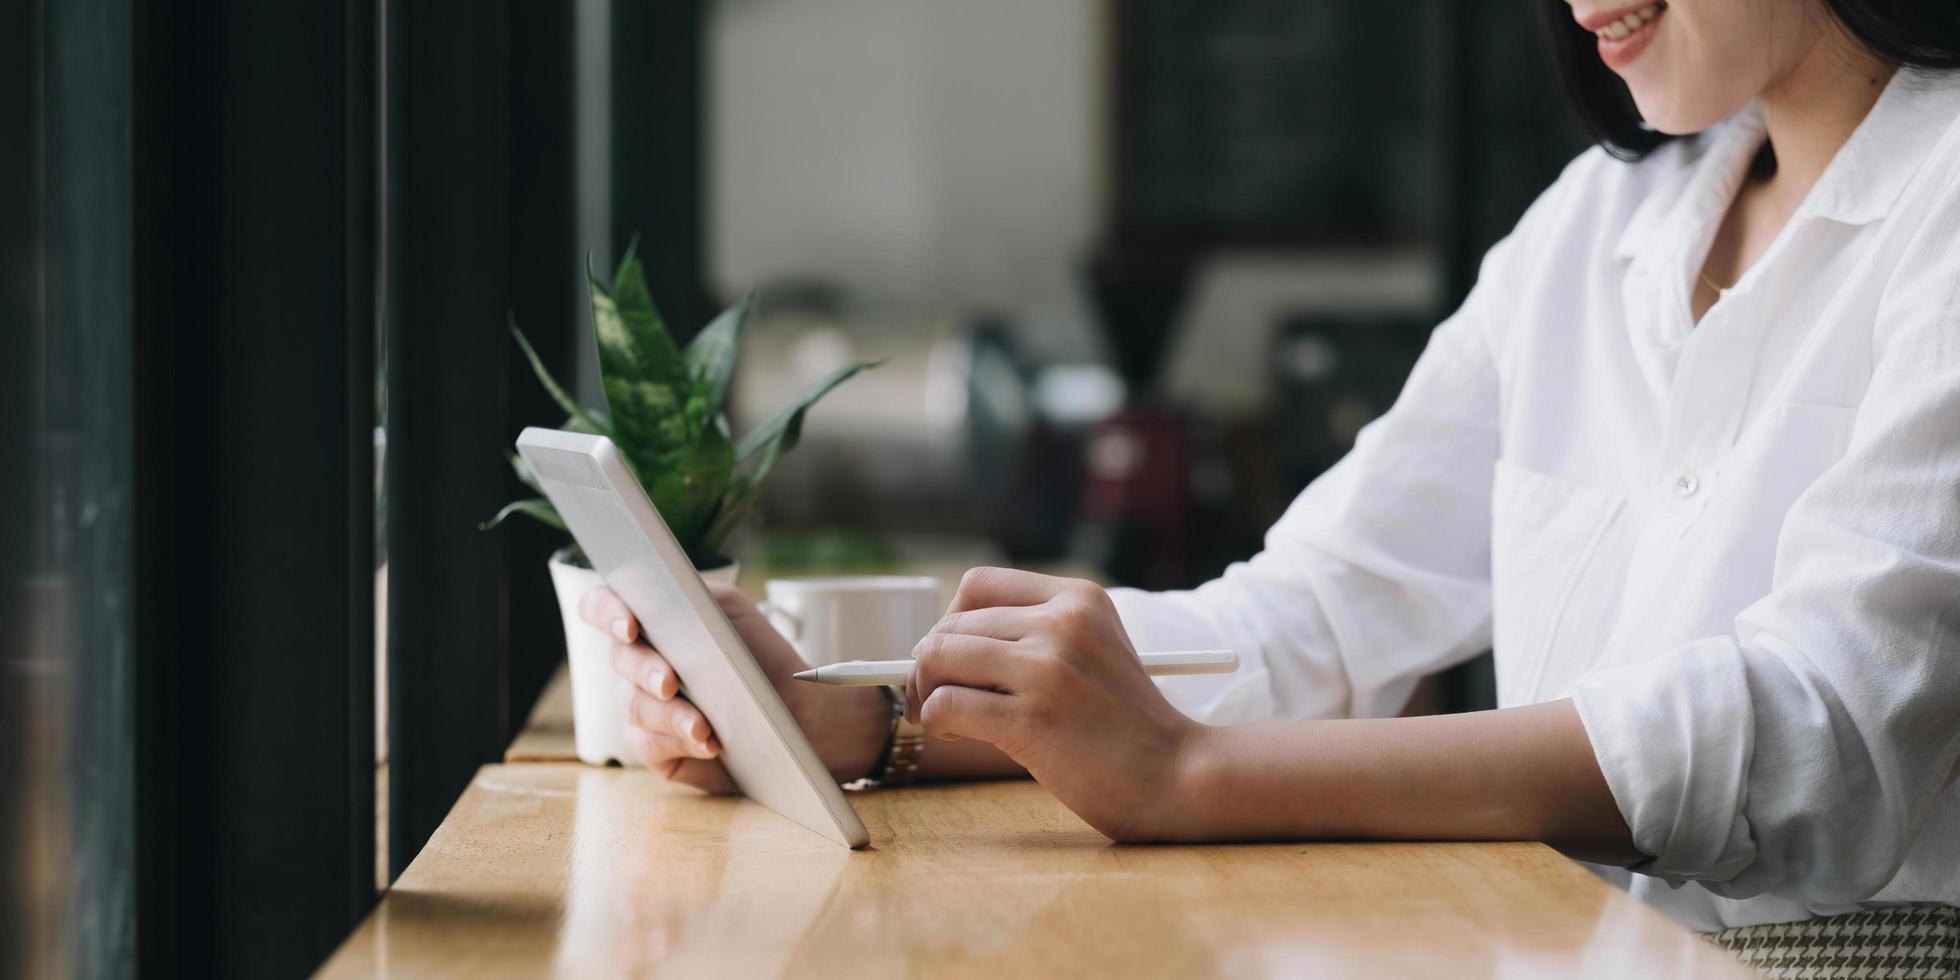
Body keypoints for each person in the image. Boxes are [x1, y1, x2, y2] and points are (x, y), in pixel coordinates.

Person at [582, 0, 1960, 953]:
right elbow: (1308, 616)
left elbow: (1821, 725)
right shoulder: (1607, 222)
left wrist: (1195, 776)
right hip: (1576, 951)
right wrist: (869, 723)